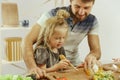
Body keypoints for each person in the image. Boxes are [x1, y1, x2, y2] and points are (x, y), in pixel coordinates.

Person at [23, 0, 101, 78]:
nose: (81, 12)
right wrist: (33, 67)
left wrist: (91, 56)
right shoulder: (52, 15)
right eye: (77, 6)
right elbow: (27, 41)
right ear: (70, 1)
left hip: (71, 65)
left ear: (93, 4)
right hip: (49, 66)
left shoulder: (92, 21)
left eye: (86, 8)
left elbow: (96, 51)